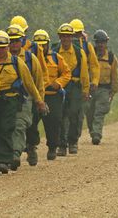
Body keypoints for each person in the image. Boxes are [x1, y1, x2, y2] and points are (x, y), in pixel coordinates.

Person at [0, 31, 45, 174]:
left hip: (11, 99)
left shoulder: (17, 62)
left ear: (8, 47)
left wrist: (39, 100)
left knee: (7, 128)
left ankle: (4, 161)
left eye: (3, 47)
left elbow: (29, 83)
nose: (0, 50)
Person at [7, 23, 46, 169]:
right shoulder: (1, 58)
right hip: (7, 98)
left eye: (16, 40)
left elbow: (39, 81)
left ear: (22, 41)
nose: (13, 44)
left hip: (26, 98)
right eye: (10, 40)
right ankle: (8, 154)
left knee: (22, 124)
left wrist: (39, 100)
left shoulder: (30, 58)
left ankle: (17, 153)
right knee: (8, 125)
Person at [33, 29, 71, 160]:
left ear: (48, 44)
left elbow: (67, 73)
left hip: (52, 95)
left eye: (43, 45)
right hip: (36, 96)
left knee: (53, 122)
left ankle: (52, 147)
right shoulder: (30, 59)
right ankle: (31, 144)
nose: (41, 48)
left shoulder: (56, 58)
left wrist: (59, 83)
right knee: (31, 122)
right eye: (38, 45)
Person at [53, 23, 89, 156]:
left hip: (75, 86)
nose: (66, 39)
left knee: (74, 113)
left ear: (71, 37)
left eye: (68, 36)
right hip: (60, 86)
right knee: (60, 115)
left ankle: (73, 142)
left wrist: (85, 90)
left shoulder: (79, 52)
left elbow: (84, 72)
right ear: (59, 37)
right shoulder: (55, 50)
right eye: (63, 36)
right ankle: (62, 145)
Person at [69, 18, 100, 139]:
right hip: (66, 84)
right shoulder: (63, 47)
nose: (76, 37)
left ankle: (74, 137)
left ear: (82, 34)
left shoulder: (88, 47)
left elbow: (94, 65)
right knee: (65, 113)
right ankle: (65, 139)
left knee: (79, 112)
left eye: (78, 34)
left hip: (82, 84)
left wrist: (95, 81)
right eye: (73, 34)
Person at [88, 29, 118, 145]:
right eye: (98, 42)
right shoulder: (90, 55)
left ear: (106, 43)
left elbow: (115, 75)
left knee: (99, 112)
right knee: (89, 112)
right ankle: (93, 131)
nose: (100, 45)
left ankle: (96, 134)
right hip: (91, 88)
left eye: (103, 42)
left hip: (104, 89)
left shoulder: (111, 58)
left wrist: (113, 91)